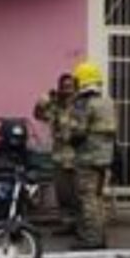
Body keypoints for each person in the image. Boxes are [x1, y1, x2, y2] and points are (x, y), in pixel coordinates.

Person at [69, 61, 117, 250]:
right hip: (105, 157)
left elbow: (78, 132)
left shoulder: (83, 103)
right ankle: (99, 236)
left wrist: (71, 138)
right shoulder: (107, 101)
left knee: (87, 198)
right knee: (98, 199)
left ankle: (91, 240)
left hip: (88, 158)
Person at [33, 73, 78, 234]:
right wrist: (41, 103)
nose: (68, 89)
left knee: (79, 195)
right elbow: (38, 115)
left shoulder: (81, 105)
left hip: (78, 158)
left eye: (70, 86)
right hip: (60, 157)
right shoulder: (56, 106)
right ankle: (68, 225)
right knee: (63, 194)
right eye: (65, 86)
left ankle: (82, 227)